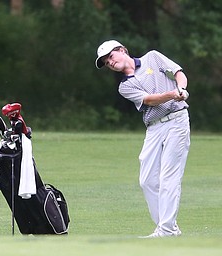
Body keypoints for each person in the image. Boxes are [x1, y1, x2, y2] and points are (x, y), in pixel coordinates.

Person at [95, 40, 190, 238]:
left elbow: (178, 72)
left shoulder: (153, 57)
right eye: (105, 63)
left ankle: (165, 230)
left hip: (177, 121)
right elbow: (149, 100)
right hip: (154, 127)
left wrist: (181, 89)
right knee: (146, 180)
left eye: (110, 57)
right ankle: (168, 228)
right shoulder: (125, 86)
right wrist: (173, 94)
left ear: (122, 50)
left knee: (169, 177)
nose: (110, 63)